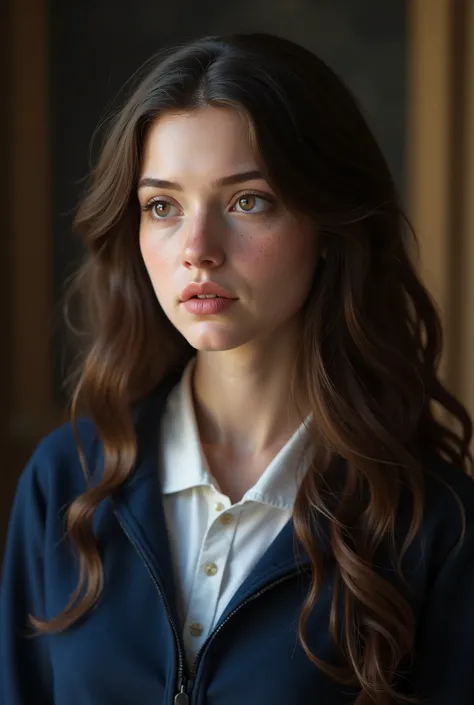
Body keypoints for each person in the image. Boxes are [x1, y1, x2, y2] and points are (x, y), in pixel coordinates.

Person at [1, 32, 474, 705]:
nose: (197, 249)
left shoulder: (435, 524)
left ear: (329, 227)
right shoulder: (67, 481)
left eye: (247, 200)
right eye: (162, 206)